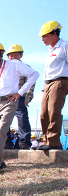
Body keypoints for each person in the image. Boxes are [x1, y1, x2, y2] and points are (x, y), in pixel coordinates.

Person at [0, 42, 39, 171]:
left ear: (1, 54)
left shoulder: (14, 64)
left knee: (1, 130)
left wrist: (20, 93)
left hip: (9, 101)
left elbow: (34, 75)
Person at [38, 20, 68, 150]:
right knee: (44, 114)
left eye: (45, 36)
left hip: (60, 81)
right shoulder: (50, 50)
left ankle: (54, 141)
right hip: (48, 83)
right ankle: (46, 140)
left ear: (54, 33)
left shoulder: (64, 46)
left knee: (54, 111)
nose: (43, 39)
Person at [7, 44, 36, 149]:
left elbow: (31, 84)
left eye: (15, 55)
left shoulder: (26, 68)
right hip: (7, 98)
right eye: (11, 56)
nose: (13, 57)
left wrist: (28, 99)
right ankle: (7, 142)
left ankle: (25, 143)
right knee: (5, 120)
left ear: (21, 55)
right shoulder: (5, 69)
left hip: (20, 98)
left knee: (23, 119)